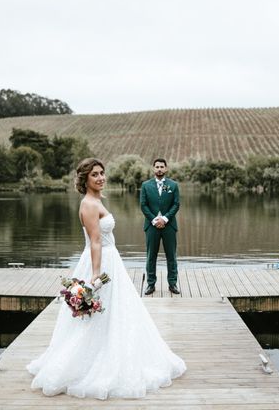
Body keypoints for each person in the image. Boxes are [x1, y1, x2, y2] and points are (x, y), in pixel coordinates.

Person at [26, 158, 186, 399]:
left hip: (111, 260)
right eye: (95, 175)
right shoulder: (89, 205)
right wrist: (96, 277)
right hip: (101, 264)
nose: (101, 177)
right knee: (101, 314)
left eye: (102, 173)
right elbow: (96, 241)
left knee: (114, 315)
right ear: (85, 179)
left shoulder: (95, 200)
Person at [139, 158, 181, 295]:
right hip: (151, 226)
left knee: (171, 256)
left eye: (162, 167)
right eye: (157, 167)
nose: (159, 169)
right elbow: (143, 205)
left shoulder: (172, 185)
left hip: (169, 226)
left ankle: (172, 284)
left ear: (166, 169)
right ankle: (151, 284)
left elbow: (176, 204)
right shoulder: (146, 185)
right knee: (151, 256)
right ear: (153, 169)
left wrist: (165, 218)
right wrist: (154, 219)